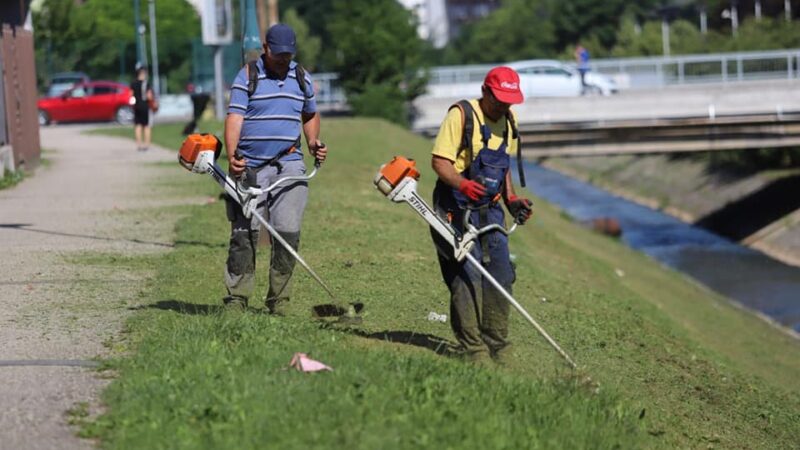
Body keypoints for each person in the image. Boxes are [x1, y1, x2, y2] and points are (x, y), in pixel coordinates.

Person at [429, 66, 533, 365]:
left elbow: (502, 166)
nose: (504, 105)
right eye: (499, 99)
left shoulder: (509, 120)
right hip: (455, 206)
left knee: (501, 275)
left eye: (509, 100)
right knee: (467, 275)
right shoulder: (461, 115)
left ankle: (497, 343)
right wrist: (463, 184)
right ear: (485, 91)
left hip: (491, 210)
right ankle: (473, 349)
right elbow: (439, 162)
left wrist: (511, 200)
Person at [223, 23, 327, 314]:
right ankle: (237, 298)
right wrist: (232, 155)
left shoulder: (301, 76)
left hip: (289, 162)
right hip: (251, 168)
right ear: (266, 49)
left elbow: (310, 113)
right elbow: (235, 118)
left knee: (287, 231)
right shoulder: (247, 76)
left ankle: (279, 299)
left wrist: (313, 141)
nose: (283, 60)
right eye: (278, 54)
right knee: (244, 234)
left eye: (288, 54)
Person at [130, 66, 155, 151]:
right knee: (146, 126)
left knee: (138, 125)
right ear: (143, 73)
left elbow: (131, 95)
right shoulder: (146, 83)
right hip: (145, 106)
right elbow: (149, 96)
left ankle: (139, 145)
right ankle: (147, 145)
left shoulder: (133, 83)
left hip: (136, 106)